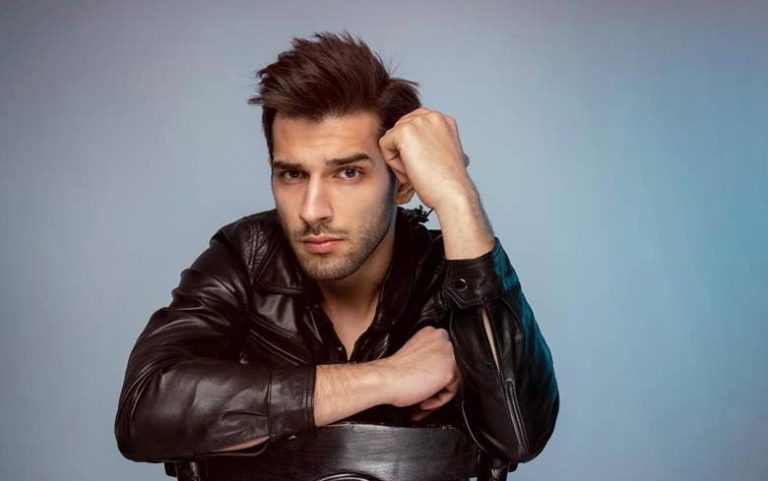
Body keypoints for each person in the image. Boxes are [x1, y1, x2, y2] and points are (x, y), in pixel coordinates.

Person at [114, 31, 559, 479]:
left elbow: (519, 435)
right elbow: (143, 410)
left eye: (347, 173)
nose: (312, 211)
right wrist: (385, 378)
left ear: (403, 181)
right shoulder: (246, 257)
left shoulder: (447, 275)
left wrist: (458, 197)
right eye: (292, 174)